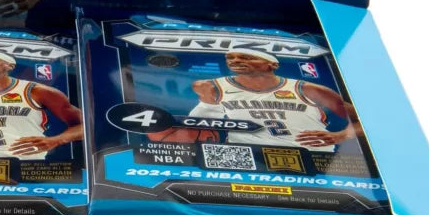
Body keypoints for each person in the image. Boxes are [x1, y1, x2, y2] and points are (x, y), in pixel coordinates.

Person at [150, 50, 362, 152]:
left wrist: (340, 135)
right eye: (231, 58)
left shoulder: (307, 89)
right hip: (250, 159)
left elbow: (366, 122)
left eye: (246, 57)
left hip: (312, 159)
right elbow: (196, 126)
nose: (236, 61)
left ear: (272, 64)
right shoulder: (210, 87)